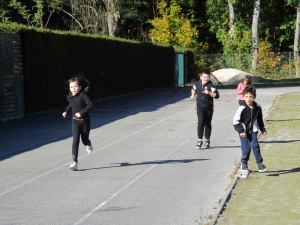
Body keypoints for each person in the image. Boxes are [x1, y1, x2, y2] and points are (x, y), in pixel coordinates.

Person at [233, 85, 268, 172]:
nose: (248, 99)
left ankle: (260, 164)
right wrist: (241, 131)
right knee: (246, 149)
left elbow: (259, 119)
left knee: (255, 146)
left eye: (251, 97)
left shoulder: (258, 108)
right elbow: (235, 121)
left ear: (254, 97)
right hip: (243, 132)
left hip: (253, 131)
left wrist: (262, 129)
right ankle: (244, 163)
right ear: (243, 97)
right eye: (246, 97)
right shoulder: (242, 108)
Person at [62, 76, 93, 171]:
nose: (73, 89)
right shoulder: (69, 97)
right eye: (71, 87)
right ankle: (74, 162)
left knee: (84, 140)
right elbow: (71, 104)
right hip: (75, 121)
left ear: (80, 87)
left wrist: (81, 113)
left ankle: (88, 143)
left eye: (75, 86)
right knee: (75, 140)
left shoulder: (83, 95)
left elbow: (90, 105)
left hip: (85, 121)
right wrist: (66, 111)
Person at [190, 70, 219, 149]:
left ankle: (207, 140)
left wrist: (209, 93)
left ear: (209, 78)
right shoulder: (197, 84)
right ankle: (199, 140)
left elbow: (217, 95)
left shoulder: (211, 86)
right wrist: (193, 94)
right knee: (200, 122)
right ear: (201, 77)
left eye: (207, 77)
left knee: (207, 123)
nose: (206, 79)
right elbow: (193, 88)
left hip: (209, 107)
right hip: (200, 106)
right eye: (204, 77)